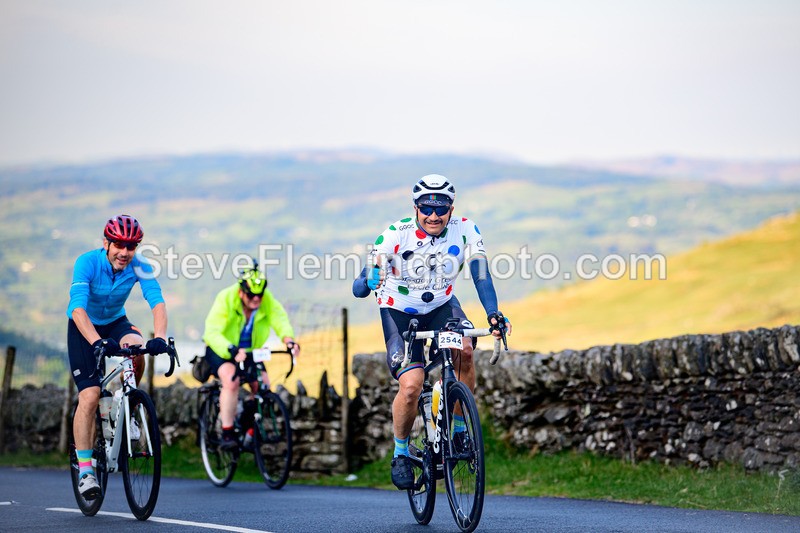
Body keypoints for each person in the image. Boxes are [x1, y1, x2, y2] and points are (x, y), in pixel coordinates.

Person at [353, 174, 511, 490]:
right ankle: (400, 452)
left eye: (441, 209)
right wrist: (367, 279)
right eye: (427, 209)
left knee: (465, 350)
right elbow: (358, 288)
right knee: (411, 385)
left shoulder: (466, 229)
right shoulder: (396, 234)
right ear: (416, 207)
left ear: (452, 209)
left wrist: (493, 313)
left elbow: (481, 276)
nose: (434, 216)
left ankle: (458, 429)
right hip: (400, 312)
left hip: (442, 307)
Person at [67, 214, 170, 500]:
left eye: (131, 246)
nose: (125, 253)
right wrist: (97, 342)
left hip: (115, 321)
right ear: (106, 243)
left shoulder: (140, 266)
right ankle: (86, 470)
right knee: (88, 396)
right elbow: (77, 309)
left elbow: (157, 301)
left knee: (137, 351)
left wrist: (160, 337)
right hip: (83, 326)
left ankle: (128, 407)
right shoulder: (87, 263)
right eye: (119, 245)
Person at [202, 259, 300, 449]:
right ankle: (228, 433)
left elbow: (279, 319)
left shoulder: (266, 300)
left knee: (263, 387)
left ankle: (249, 430)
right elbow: (212, 332)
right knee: (232, 381)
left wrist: (288, 340)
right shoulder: (226, 298)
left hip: (249, 353)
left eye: (260, 295)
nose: (256, 299)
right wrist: (230, 349)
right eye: (251, 295)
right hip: (222, 350)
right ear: (241, 291)